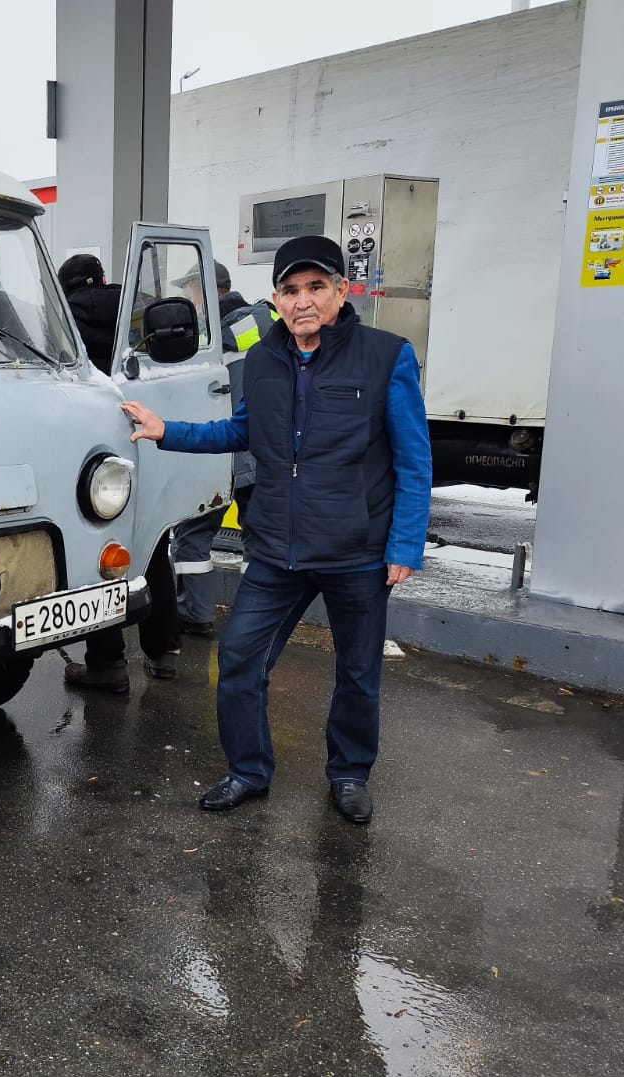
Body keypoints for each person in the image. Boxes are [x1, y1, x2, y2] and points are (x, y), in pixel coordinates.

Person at [121, 235, 432, 824]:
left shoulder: (388, 357)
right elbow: (240, 432)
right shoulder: (263, 359)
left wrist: (405, 544)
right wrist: (168, 430)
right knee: (239, 660)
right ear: (277, 298)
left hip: (356, 552)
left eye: (317, 287)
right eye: (291, 290)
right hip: (277, 550)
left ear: (343, 291)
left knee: (359, 675)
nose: (303, 301)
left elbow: (415, 461)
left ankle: (347, 775)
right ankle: (247, 770)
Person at [57, 252, 181, 695]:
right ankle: (164, 651)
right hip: (148, 439)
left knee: (97, 552)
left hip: (88, 456)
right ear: (104, 277)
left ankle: (107, 663)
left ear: (64, 285)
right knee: (152, 543)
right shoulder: (139, 308)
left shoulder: (60, 317)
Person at [169, 261, 278, 636]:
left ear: (206, 291)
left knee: (193, 532)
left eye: (191, 294)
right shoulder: (271, 322)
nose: (190, 301)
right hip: (265, 454)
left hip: (222, 451)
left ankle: (195, 614)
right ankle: (256, 618)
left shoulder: (214, 334)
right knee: (257, 538)